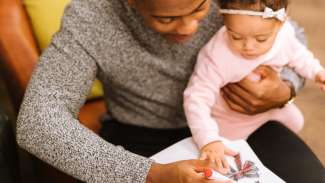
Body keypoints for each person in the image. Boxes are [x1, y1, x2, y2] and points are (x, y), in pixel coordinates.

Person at [15, 0, 325, 182]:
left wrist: (285, 87)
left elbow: (286, 31)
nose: (189, 29)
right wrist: (148, 173)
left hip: (242, 122)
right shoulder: (91, 16)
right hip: (143, 136)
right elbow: (38, 122)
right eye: (166, 18)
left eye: (200, 7)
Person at [183, 0, 325, 173]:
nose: (248, 47)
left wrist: (318, 72)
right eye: (235, 36)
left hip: (269, 107)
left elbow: (299, 56)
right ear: (224, 21)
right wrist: (209, 139)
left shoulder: (285, 34)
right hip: (228, 120)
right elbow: (196, 97)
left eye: (261, 39)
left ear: (281, 23)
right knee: (229, 162)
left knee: (296, 121)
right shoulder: (216, 54)